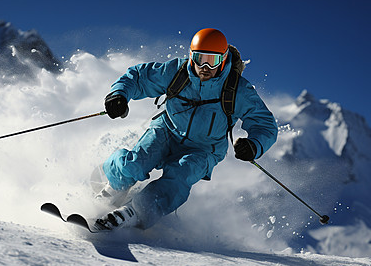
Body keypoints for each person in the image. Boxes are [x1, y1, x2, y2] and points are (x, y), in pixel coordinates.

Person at [95, 28, 278, 230]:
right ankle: (112, 189)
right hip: (167, 131)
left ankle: (134, 213)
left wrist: (254, 145)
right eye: (200, 59)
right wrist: (119, 94)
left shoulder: (238, 90)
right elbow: (140, 77)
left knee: (181, 175)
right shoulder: (178, 72)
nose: (205, 67)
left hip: (204, 149)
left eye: (213, 60)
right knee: (137, 163)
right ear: (191, 56)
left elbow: (265, 124)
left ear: (224, 60)